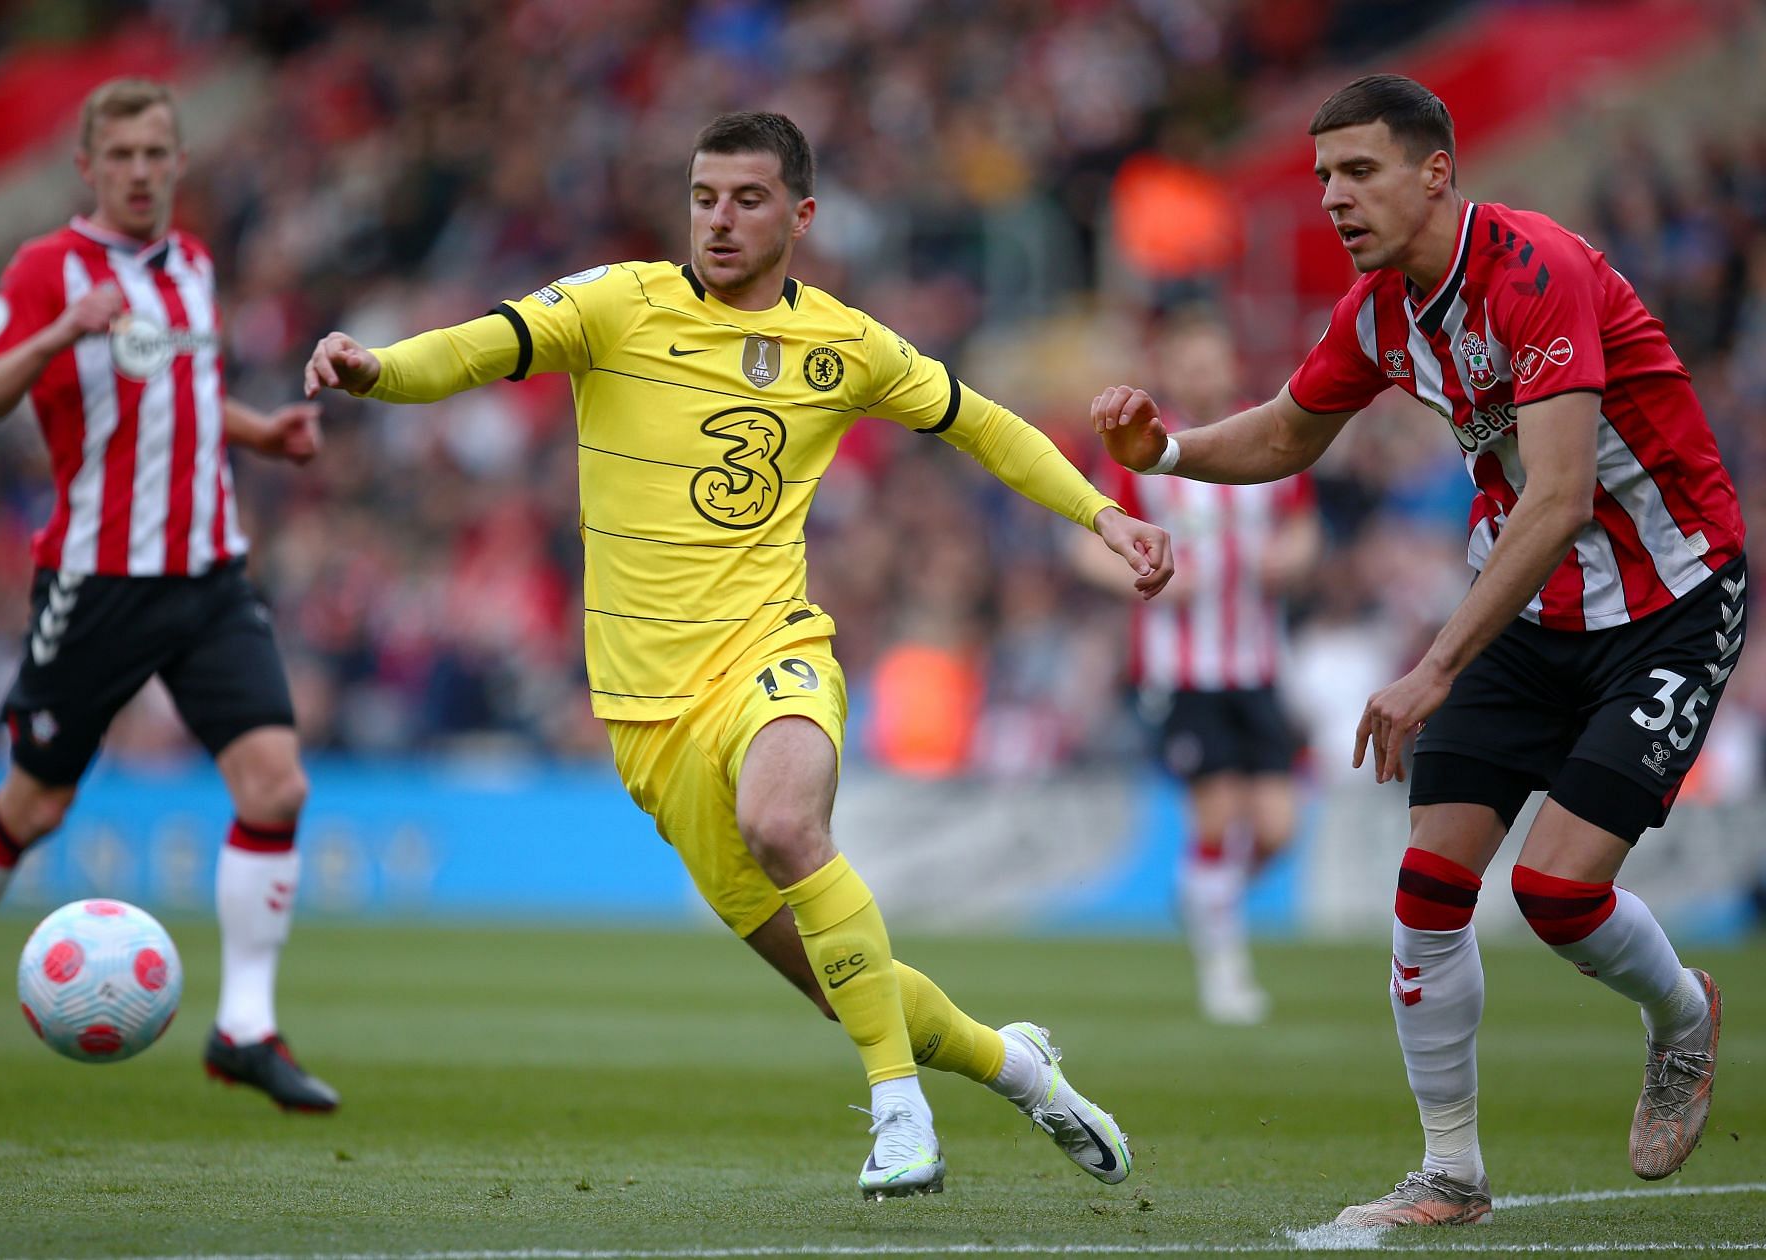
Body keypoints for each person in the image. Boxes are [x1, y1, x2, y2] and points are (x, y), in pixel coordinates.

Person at [306, 111, 1168, 1199]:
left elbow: (986, 426)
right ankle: (1020, 1068)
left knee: (783, 821)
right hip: (645, 719)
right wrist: (376, 367)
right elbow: (479, 345)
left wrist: (1102, 516)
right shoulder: (617, 305)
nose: (720, 218)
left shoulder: (844, 345)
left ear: (800, 215)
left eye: (748, 198)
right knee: (841, 981)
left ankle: (899, 1117)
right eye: (706, 196)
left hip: (773, 653)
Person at [1094, 74, 1740, 1226]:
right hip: (1532, 610)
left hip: (1669, 603)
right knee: (1430, 892)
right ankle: (1450, 1173)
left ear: (1436, 171)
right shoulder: (1381, 312)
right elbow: (1293, 429)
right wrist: (1171, 450)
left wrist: (1435, 664)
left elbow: (1558, 497)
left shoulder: (1534, 272)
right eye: (1321, 179)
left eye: (1358, 172)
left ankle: (1684, 1020)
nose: (1334, 199)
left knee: (1554, 891)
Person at [0, 78, 339, 1113]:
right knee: (36, 801)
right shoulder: (47, 268)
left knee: (276, 786)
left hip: (211, 574)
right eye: (124, 155)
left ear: (179, 163)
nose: (143, 171)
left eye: (158, 153)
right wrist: (58, 336)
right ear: (88, 168)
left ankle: (244, 1027)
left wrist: (257, 431)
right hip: (99, 582)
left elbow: (178, 391)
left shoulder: (191, 263)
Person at [1074, 312, 1319, 1025]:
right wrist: (1140, 578)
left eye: (1214, 360)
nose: (1204, 374)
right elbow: (1085, 545)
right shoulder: (1136, 451)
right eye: (1190, 362)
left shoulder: (1265, 437)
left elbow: (1304, 529)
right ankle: (1226, 973)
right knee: (1218, 815)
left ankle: (1204, 898)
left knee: (1276, 828)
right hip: (1182, 671)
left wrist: (1292, 559)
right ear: (1171, 368)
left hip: (1260, 663)